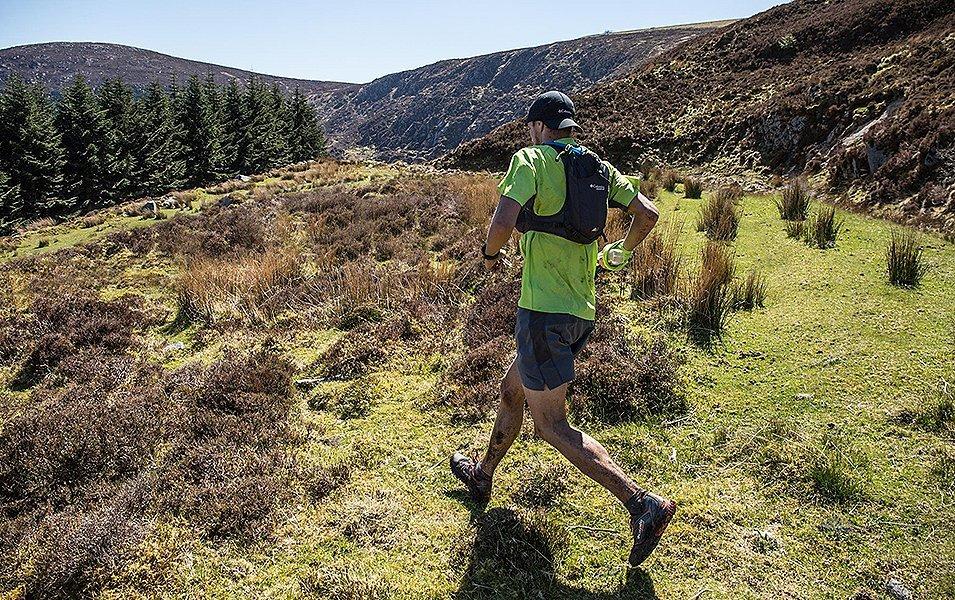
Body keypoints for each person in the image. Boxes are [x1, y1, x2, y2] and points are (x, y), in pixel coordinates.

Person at [450, 90, 676, 568]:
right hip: (580, 314)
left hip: (543, 314)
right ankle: (482, 474)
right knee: (514, 389)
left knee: (551, 425)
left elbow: (502, 219)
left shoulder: (529, 159)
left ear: (537, 127)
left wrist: (490, 256)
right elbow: (649, 214)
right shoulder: (598, 166)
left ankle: (641, 503)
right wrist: (624, 250)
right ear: (570, 126)